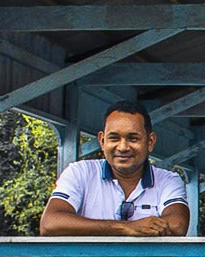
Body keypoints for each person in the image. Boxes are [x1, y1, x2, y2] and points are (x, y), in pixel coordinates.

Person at [39, 100, 189, 236]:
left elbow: (177, 225)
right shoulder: (80, 173)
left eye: (133, 138)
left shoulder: (168, 180)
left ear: (150, 141)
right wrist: (126, 227)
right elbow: (50, 223)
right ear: (102, 141)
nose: (123, 147)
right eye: (114, 138)